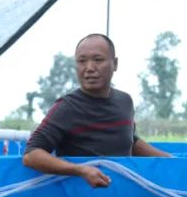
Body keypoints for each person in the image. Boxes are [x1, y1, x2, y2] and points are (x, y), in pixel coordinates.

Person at [22, 33, 170, 188]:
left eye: (98, 60)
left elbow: (129, 140)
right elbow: (31, 155)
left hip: (124, 195)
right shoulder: (66, 108)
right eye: (82, 61)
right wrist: (81, 170)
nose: (89, 68)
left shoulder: (125, 101)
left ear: (115, 64)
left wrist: (172, 160)